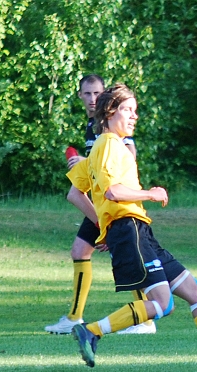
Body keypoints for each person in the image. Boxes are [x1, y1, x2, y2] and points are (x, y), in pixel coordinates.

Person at [67, 83, 197, 368]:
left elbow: (75, 192)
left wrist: (103, 223)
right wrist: (149, 194)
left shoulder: (104, 147)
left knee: (196, 293)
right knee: (163, 303)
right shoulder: (109, 145)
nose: (134, 115)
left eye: (135, 110)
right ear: (111, 111)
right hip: (129, 230)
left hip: (138, 231)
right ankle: (91, 331)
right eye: (128, 109)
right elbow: (113, 191)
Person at [45, 74, 155, 335]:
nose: (93, 99)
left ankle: (145, 318)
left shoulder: (113, 127)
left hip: (115, 200)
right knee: (81, 251)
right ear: (80, 96)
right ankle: (75, 317)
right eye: (87, 94)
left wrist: (88, 160)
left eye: (97, 93)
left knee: (123, 252)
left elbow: (128, 155)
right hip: (101, 200)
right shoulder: (92, 126)